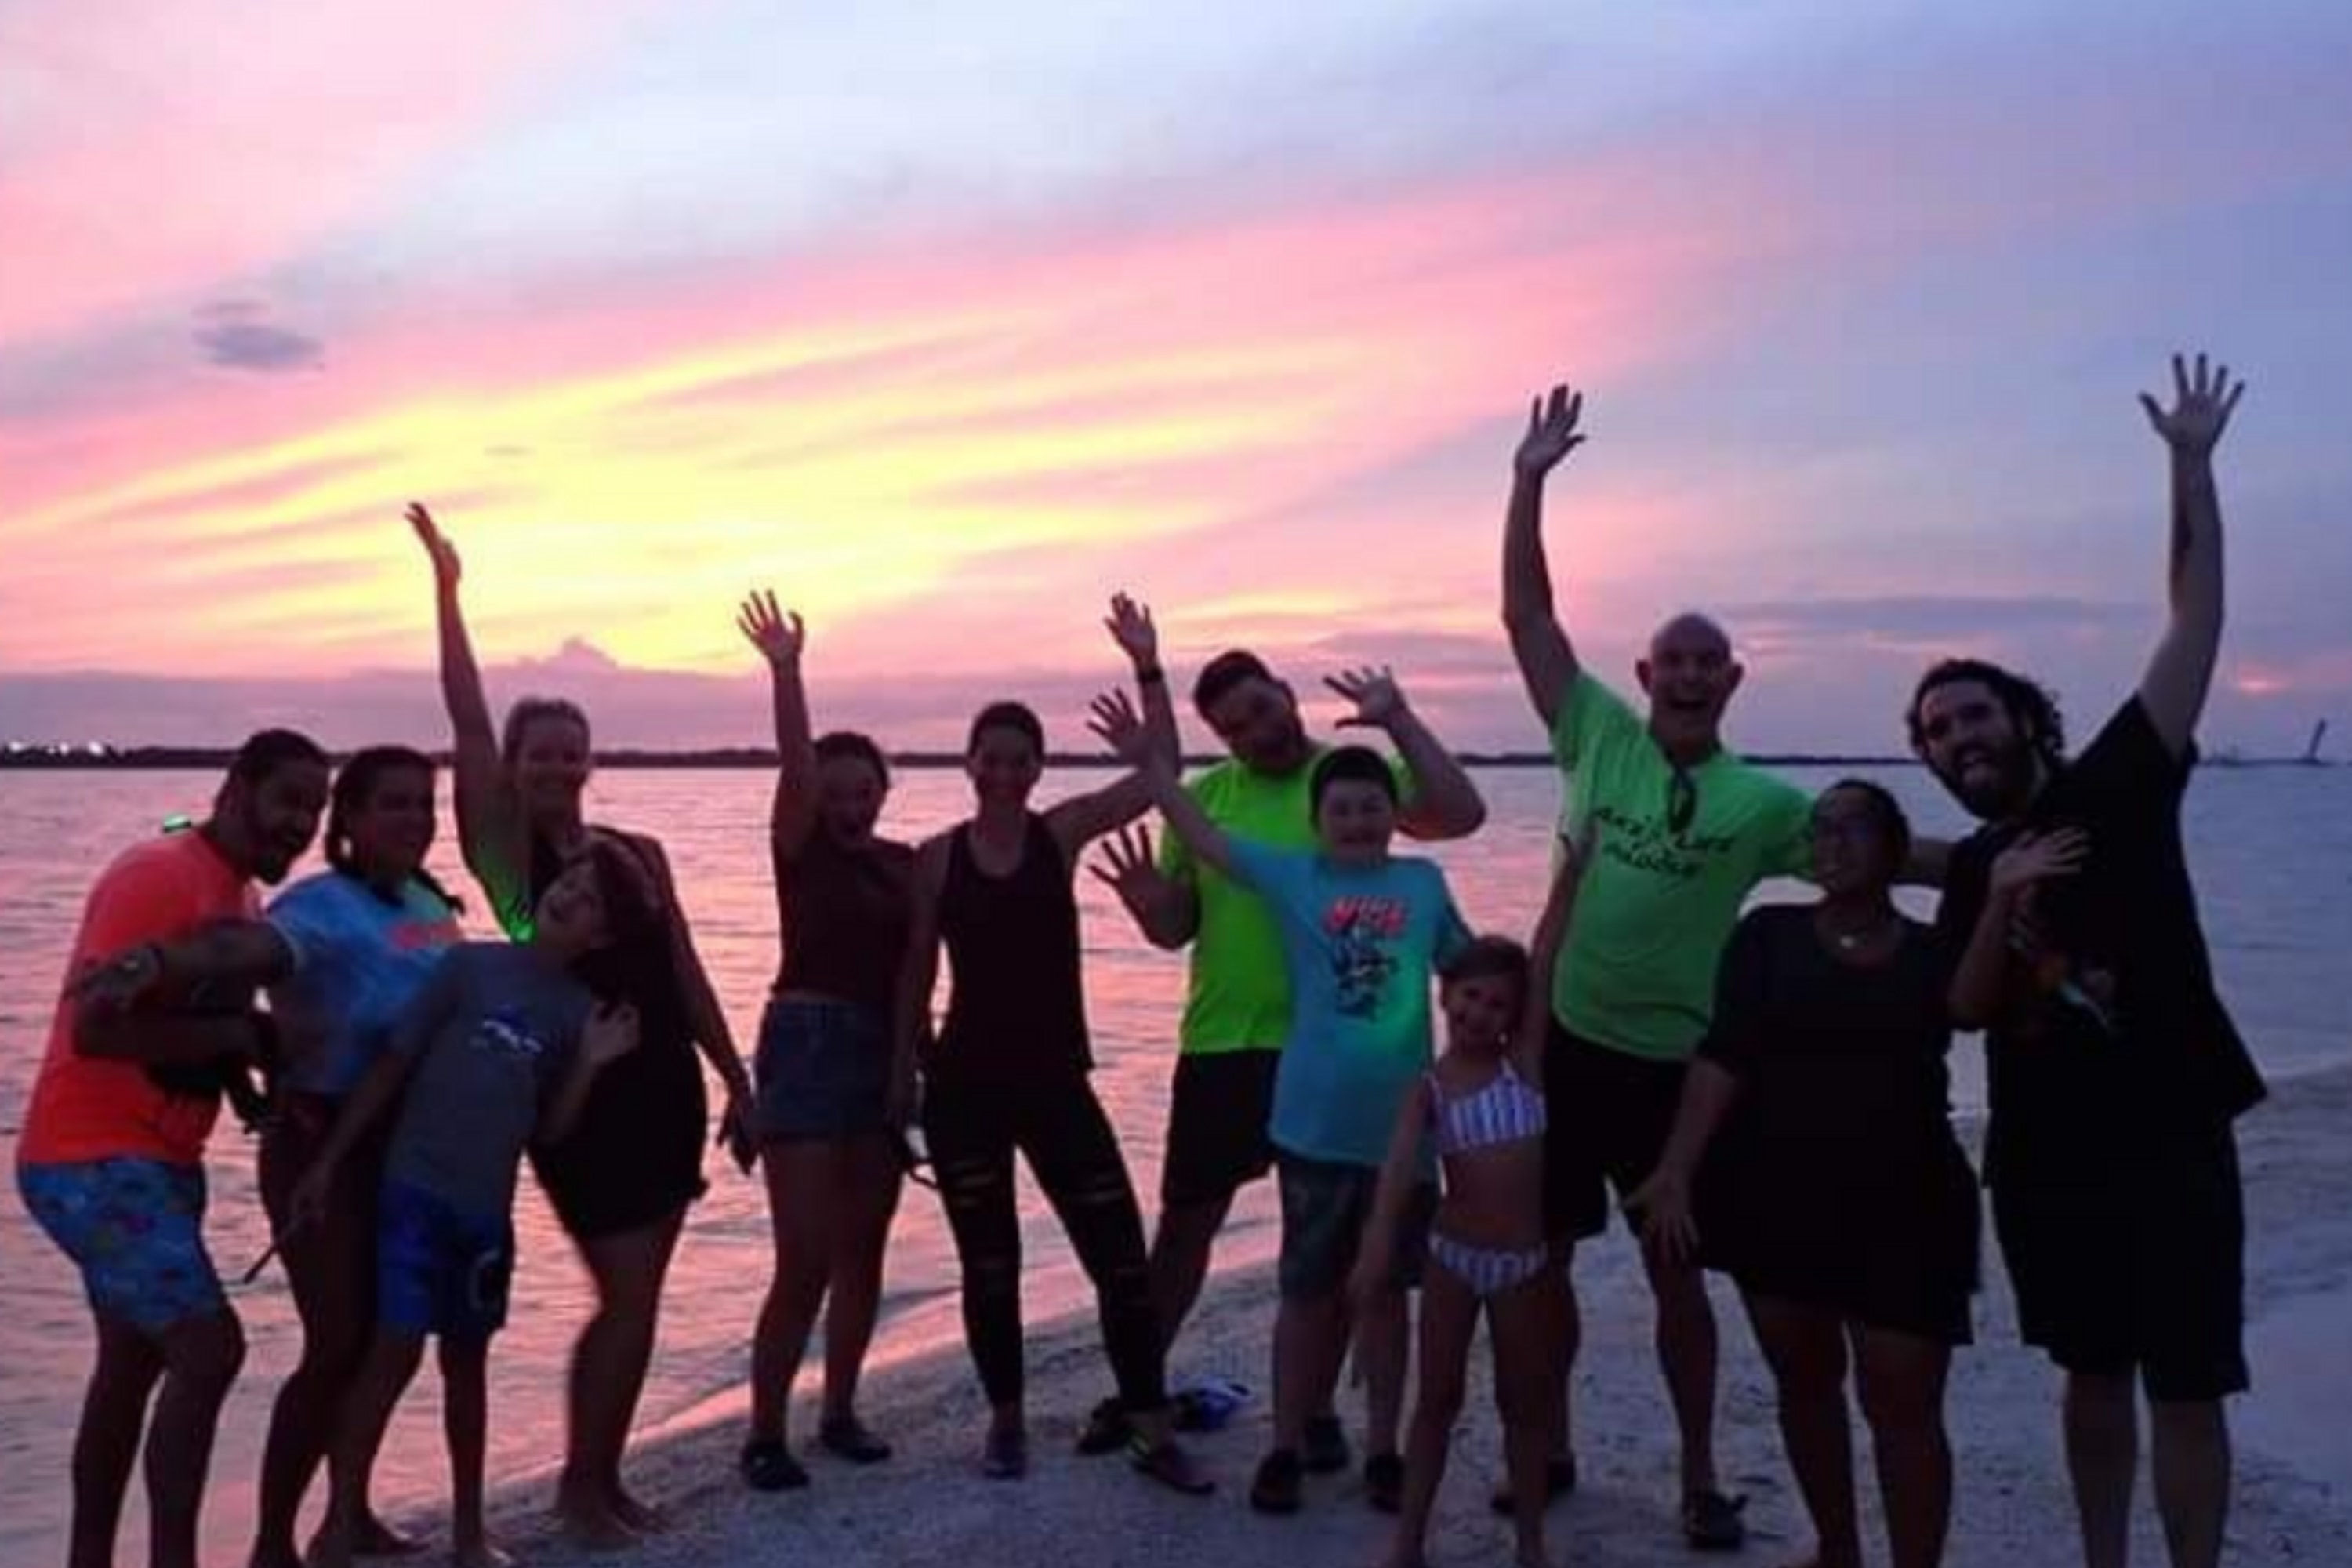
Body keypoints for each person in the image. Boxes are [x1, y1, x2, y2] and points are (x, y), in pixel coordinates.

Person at [1911, 354, 2261, 1568]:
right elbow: (1956, 995)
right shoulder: (1972, 868)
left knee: (2189, 1386)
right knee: (2090, 1376)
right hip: (2044, 1159)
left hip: (2171, 1136)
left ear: (2024, 717)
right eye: (1937, 731)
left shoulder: (2120, 785)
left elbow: (2194, 623)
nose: (1960, 737)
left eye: (1975, 713)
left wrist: (2189, 469)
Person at [1501, 379, 1828, 1547]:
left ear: (1733, 681)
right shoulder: (1595, 733)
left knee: (1677, 1276)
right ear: (1643, 677)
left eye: (1709, 662)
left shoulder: (1764, 804)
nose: (1689, 674)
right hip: (1562, 1050)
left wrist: (2007, 863)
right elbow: (1529, 618)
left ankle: (1699, 1471)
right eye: (1673, 660)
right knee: (1541, 1266)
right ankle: (1548, 1445)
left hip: (1674, 1074)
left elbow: (1878, 858)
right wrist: (1528, 481)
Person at [408, 502, 757, 1544]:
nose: (557, 767)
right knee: (624, 1294)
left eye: (572, 753)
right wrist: (449, 592)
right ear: (515, 768)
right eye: (540, 754)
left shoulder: (639, 852)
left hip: (666, 1087)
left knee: (642, 1299)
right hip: (582, 1092)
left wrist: (737, 1076)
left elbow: (682, 969)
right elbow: (468, 722)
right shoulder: (508, 861)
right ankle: (577, 1490)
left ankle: (603, 1479)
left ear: (592, 761)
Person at [1087, 646, 1485, 1466]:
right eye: (1232, 728)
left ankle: (1314, 1412)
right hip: (1226, 1043)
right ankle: (1139, 1392)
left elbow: (1457, 814)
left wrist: (1399, 719)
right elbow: (1176, 929)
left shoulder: (1347, 782)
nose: (1254, 733)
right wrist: (1148, 903)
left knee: (1332, 1249)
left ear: (1285, 694)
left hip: (1338, 1061)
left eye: (1261, 710)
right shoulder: (1207, 798)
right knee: (1186, 1227)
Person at [74, 746, 468, 1568]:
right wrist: (159, 960)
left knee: (386, 1338)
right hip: (319, 1147)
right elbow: (242, 952)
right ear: (347, 819)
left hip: (404, 1149)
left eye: (423, 804)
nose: (414, 819)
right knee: (335, 1342)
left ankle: (347, 1512)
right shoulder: (316, 908)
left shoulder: (427, 900)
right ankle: (271, 1544)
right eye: (392, 803)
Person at [892, 600, 1211, 1494]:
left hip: (1057, 1084)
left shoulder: (1058, 834)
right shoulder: (936, 858)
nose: (1004, 772)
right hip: (963, 1089)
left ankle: (1150, 1424)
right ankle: (1006, 1420)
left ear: (1038, 768)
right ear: (969, 764)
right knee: (991, 1264)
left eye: (1019, 759)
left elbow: (1162, 774)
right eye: (989, 758)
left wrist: (1149, 667)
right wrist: (902, 1076)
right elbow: (915, 971)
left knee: (1120, 1260)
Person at [1628, 782, 1978, 1568]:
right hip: (1776, 1194)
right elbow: (1722, 1056)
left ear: (1895, 847)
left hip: (1908, 1203)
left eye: (1854, 826)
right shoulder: (1767, 935)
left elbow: (1992, 992)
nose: (1831, 840)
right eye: (1819, 828)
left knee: (1903, 1401)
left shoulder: (1936, 953)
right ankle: (1838, 1548)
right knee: (1806, 1380)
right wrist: (1677, 1168)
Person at [18, 729, 331, 1568]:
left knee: (130, 1365)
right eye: (287, 799)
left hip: (160, 1162)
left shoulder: (243, 901)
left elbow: (206, 1029)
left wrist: (254, 1093)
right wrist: (236, 1033)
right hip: (87, 1156)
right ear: (235, 788)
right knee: (208, 1348)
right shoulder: (156, 875)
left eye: (314, 808)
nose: (300, 823)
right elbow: (94, 1030)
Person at [298, 844, 655, 1568]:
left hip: (485, 1214)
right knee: (391, 1356)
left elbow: (549, 1130)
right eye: (570, 881)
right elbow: (392, 1066)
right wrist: (328, 1163)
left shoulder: (577, 1012)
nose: (569, 896)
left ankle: (469, 1534)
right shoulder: (469, 967)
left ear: (604, 935)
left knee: (467, 1368)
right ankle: (338, 1527)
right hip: (413, 1193)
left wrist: (590, 1062)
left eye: (589, 899)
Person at [1357, 834, 1588, 1568]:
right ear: (1445, 994)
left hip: (1522, 1264)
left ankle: (1530, 1543)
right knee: (1437, 1400)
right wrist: (1373, 1255)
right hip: (1452, 1258)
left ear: (1515, 1016)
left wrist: (1571, 876)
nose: (1480, 1012)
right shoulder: (1428, 1087)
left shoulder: (1525, 1065)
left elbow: (1545, 957)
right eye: (1470, 996)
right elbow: (1397, 1176)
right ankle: (1408, 1542)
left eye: (1496, 1004)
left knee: (1524, 1403)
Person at [735, 590, 913, 1490]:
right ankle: (765, 1430)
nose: (847, 803)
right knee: (803, 1255)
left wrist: (911, 1067)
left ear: (883, 793)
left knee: (863, 1248)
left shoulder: (907, 865)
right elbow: (795, 771)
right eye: (834, 790)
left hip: (880, 1051)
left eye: (862, 789)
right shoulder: (800, 848)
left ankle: (840, 1409)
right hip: (804, 1042)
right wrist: (788, 669)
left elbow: (919, 971)